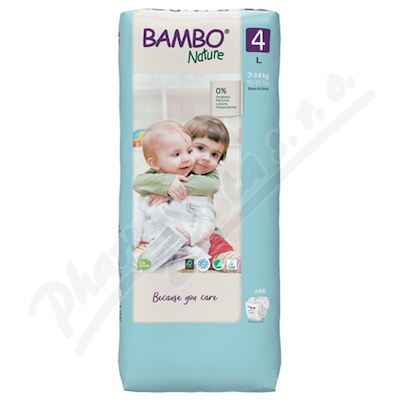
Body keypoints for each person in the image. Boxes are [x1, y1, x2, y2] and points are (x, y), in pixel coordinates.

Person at [134, 116, 241, 273]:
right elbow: (138, 183)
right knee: (145, 253)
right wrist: (166, 183)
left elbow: (211, 186)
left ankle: (235, 263)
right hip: (165, 235)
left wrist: (171, 190)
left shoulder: (208, 176)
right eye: (199, 148)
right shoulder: (163, 169)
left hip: (203, 233)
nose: (206, 158)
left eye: (215, 155)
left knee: (216, 249)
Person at [133, 120, 216, 261]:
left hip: (187, 246)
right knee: (138, 259)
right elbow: (137, 220)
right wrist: (130, 244)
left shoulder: (196, 185)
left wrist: (190, 236)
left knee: (201, 257)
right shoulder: (151, 187)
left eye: (189, 151)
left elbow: (206, 219)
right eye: (176, 154)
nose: (186, 159)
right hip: (152, 246)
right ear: (155, 163)